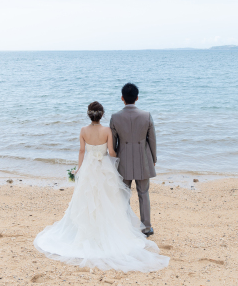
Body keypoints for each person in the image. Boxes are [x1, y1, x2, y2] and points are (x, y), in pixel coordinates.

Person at [33, 101, 168, 272]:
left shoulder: (83, 130)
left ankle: (89, 231)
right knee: (108, 198)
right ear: (102, 114)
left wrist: (78, 169)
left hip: (89, 167)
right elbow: (111, 152)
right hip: (103, 167)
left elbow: (82, 151)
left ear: (89, 115)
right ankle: (119, 229)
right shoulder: (106, 131)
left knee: (88, 198)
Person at [109, 83, 157, 236]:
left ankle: (126, 227)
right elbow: (152, 140)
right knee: (144, 193)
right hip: (143, 159)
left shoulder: (115, 117)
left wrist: (113, 162)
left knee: (124, 195)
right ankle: (147, 227)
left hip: (123, 161)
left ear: (122, 98)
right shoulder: (146, 115)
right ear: (137, 98)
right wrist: (153, 158)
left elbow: (113, 143)